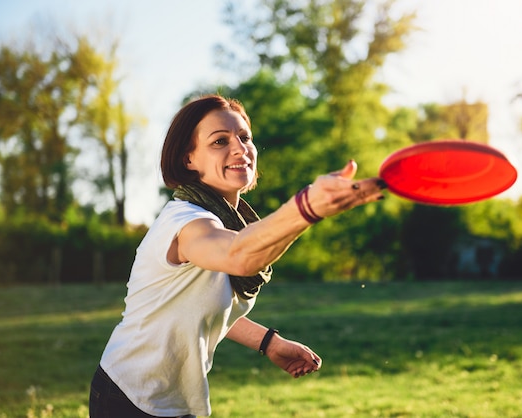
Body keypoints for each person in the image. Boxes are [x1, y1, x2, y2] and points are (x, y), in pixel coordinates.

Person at [89, 94, 387, 417]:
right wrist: (308, 207)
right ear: (189, 159)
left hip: (173, 401)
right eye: (219, 141)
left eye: (245, 137)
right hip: (128, 398)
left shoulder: (224, 221)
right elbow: (241, 256)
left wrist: (268, 342)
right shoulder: (186, 223)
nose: (239, 148)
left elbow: (201, 305)